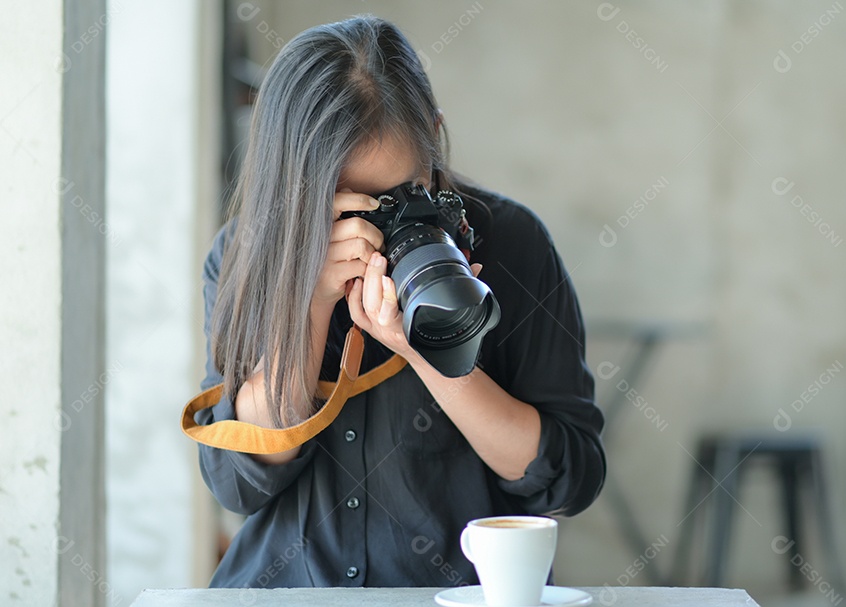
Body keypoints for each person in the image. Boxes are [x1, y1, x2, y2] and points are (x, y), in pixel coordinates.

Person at [194, 15, 606, 588]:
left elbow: (569, 480)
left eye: (399, 196)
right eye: (342, 204)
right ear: (289, 181)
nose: (373, 228)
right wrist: (308, 307)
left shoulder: (512, 243)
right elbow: (237, 483)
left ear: (433, 135)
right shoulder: (248, 251)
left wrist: (430, 348)